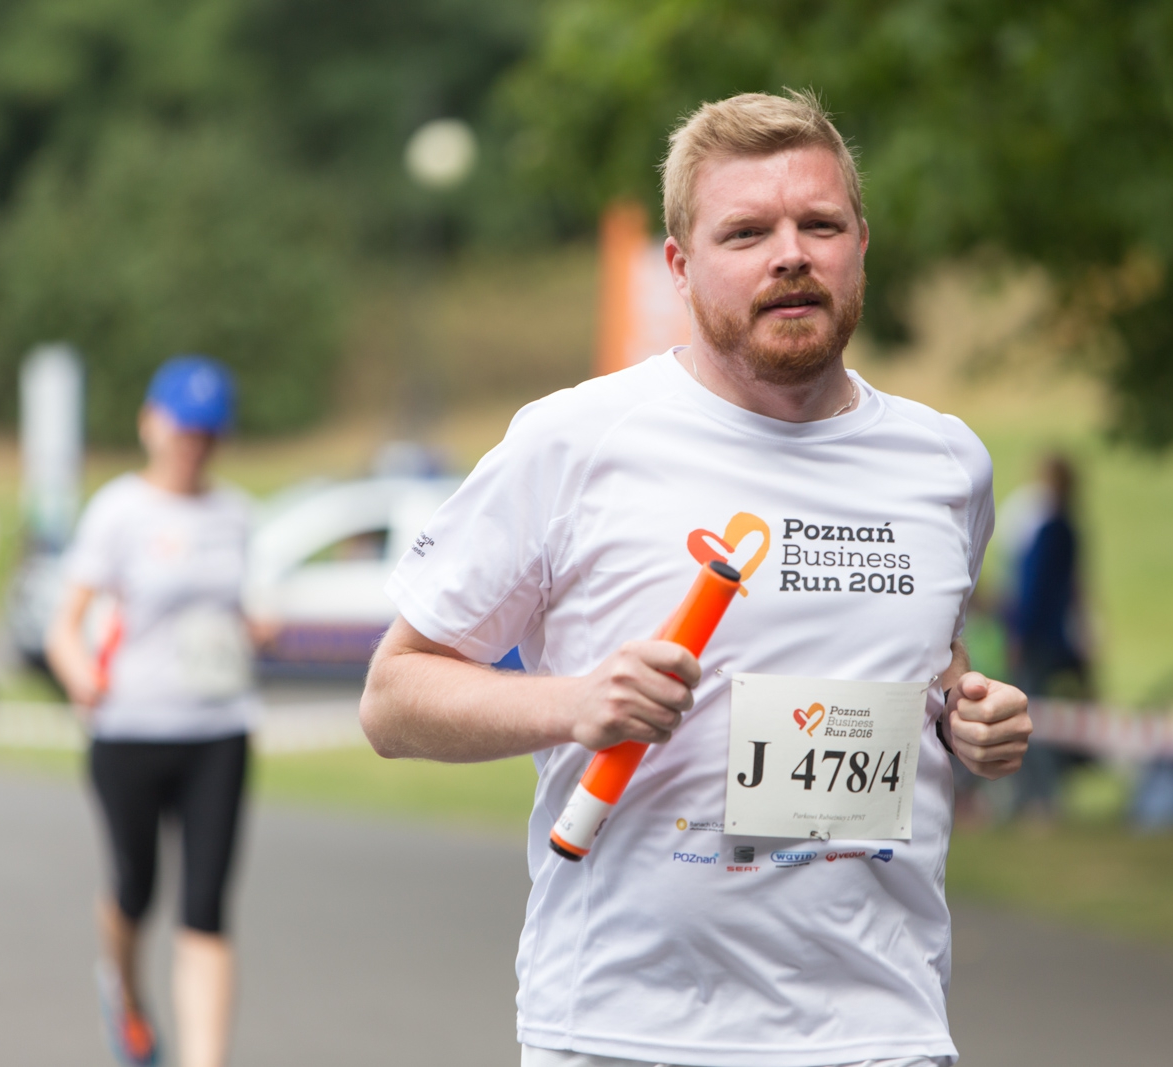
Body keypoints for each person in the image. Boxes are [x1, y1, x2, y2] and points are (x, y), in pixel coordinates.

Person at [361, 90, 1032, 1067]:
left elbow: (930, 659)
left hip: (881, 1024)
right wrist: (575, 703)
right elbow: (392, 697)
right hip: (626, 1027)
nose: (790, 254)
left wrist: (969, 714)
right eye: (746, 232)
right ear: (679, 266)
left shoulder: (945, 463)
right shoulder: (576, 441)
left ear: (861, 245)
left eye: (819, 224)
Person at [47, 356, 260, 1067]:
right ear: (150, 425)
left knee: (206, 907)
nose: (194, 444)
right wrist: (79, 673)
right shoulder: (119, 511)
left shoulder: (236, 515)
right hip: (130, 728)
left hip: (218, 730)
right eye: (183, 429)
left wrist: (254, 627)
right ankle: (126, 994)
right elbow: (64, 623)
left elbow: (235, 608)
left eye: (208, 432)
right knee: (135, 889)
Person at [995, 453, 1089, 818]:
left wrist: (1018, 632)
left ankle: (1037, 797)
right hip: (1054, 636)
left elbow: (1032, 589)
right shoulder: (1068, 527)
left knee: (1028, 715)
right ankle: (1035, 796)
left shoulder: (1049, 530)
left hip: (1036, 636)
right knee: (1040, 713)